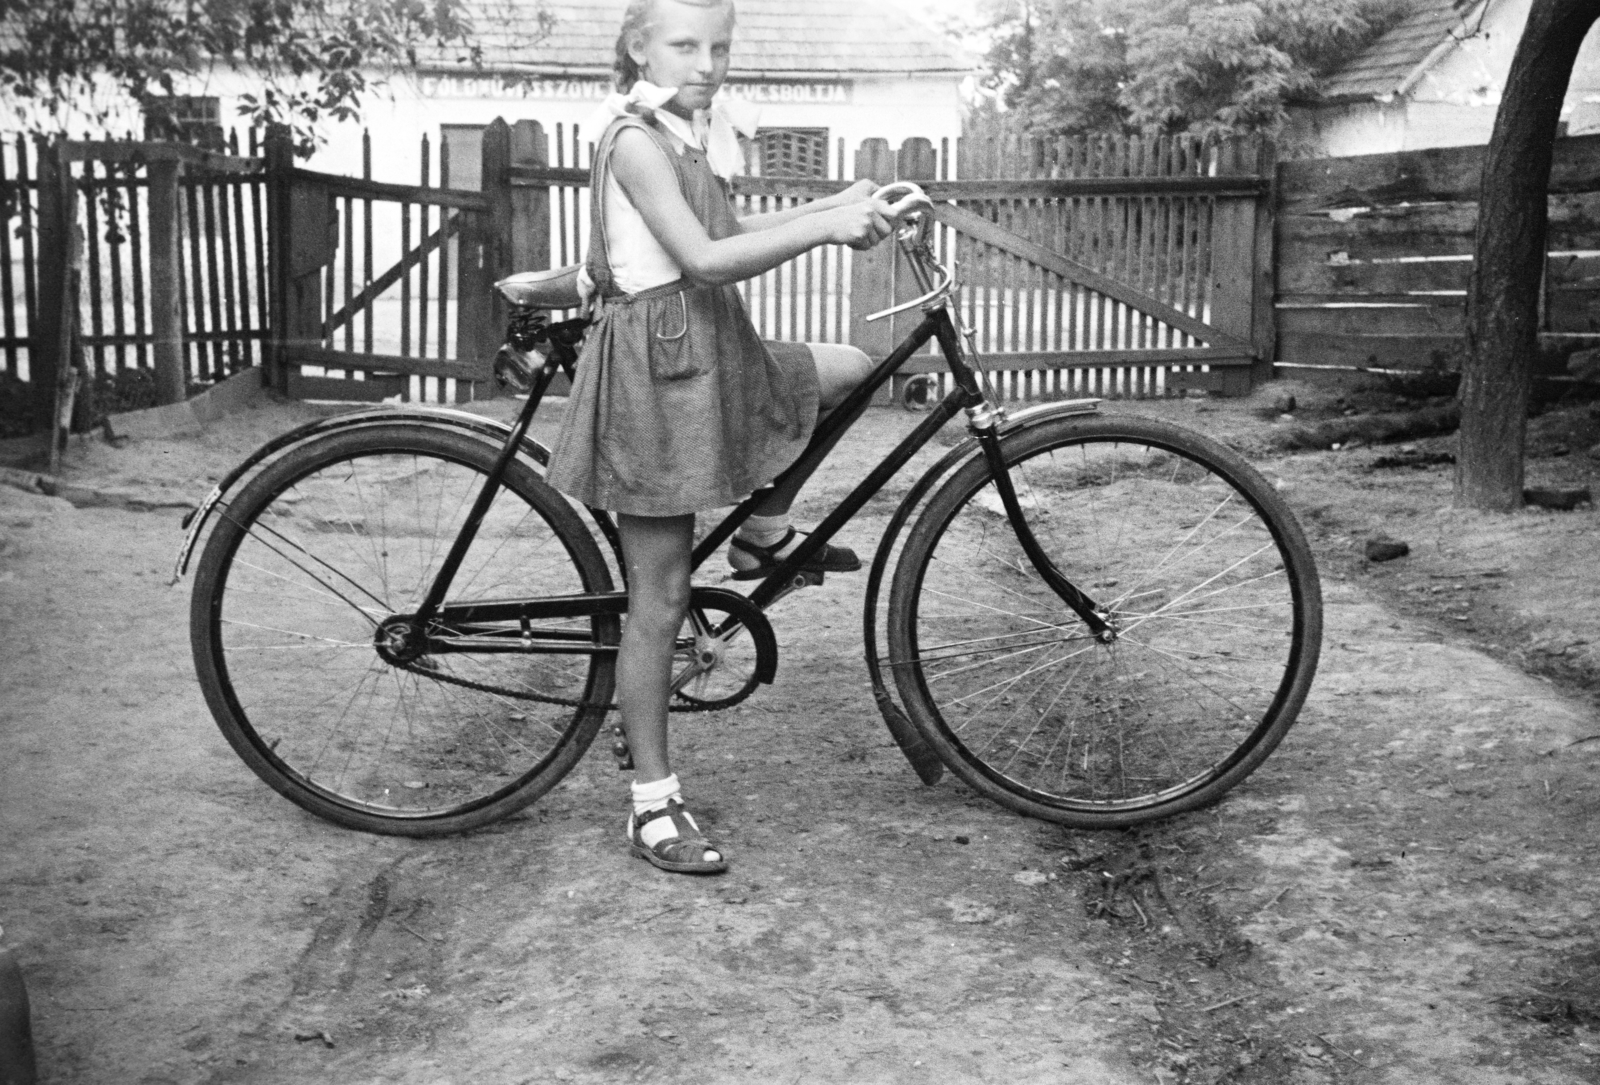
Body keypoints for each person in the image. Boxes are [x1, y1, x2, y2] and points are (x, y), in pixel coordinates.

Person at [544, 0, 895, 874]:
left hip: (710, 347)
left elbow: (726, 234)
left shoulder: (686, 131)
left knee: (849, 368)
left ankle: (762, 531)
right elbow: (702, 261)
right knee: (659, 599)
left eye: (720, 47)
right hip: (655, 371)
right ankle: (651, 805)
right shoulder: (635, 139)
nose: (706, 63)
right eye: (685, 45)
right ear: (639, 48)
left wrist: (837, 202)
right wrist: (824, 229)